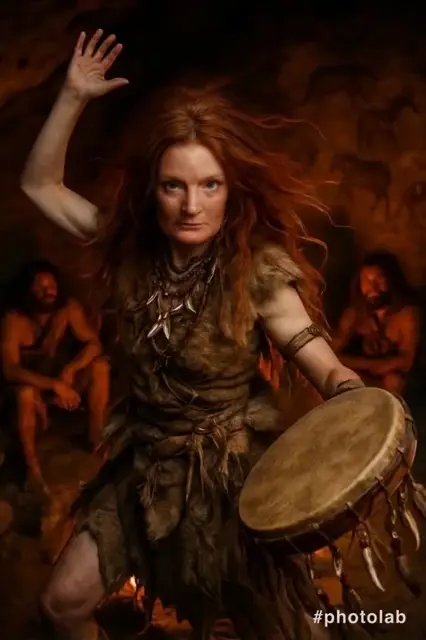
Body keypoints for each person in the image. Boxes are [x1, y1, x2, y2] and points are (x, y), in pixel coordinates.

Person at [21, 28, 368, 640]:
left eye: (210, 184)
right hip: (143, 469)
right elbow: (39, 186)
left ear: (230, 191)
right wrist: (72, 96)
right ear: (151, 189)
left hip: (232, 479)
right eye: (174, 185)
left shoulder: (256, 273)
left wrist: (353, 396)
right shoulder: (126, 252)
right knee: (61, 604)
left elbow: (324, 364)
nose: (191, 205)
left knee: (288, 628)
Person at [0, 260, 110, 496]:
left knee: (100, 367)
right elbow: (10, 370)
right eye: (41, 287)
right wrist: (54, 385)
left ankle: (96, 439)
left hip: (63, 385)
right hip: (31, 393)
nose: (48, 291)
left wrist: (70, 370)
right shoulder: (14, 320)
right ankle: (32, 470)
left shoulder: (67, 310)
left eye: (51, 286)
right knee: (25, 394)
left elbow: (94, 345)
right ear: (28, 289)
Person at [333, 251, 420, 394]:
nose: (372, 288)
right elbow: (333, 351)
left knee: (392, 381)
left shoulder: (406, 314)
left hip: (391, 382)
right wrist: (369, 365)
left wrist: (382, 367)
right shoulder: (354, 313)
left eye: (379, 280)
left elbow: (406, 361)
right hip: (360, 377)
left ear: (392, 281)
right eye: (366, 281)